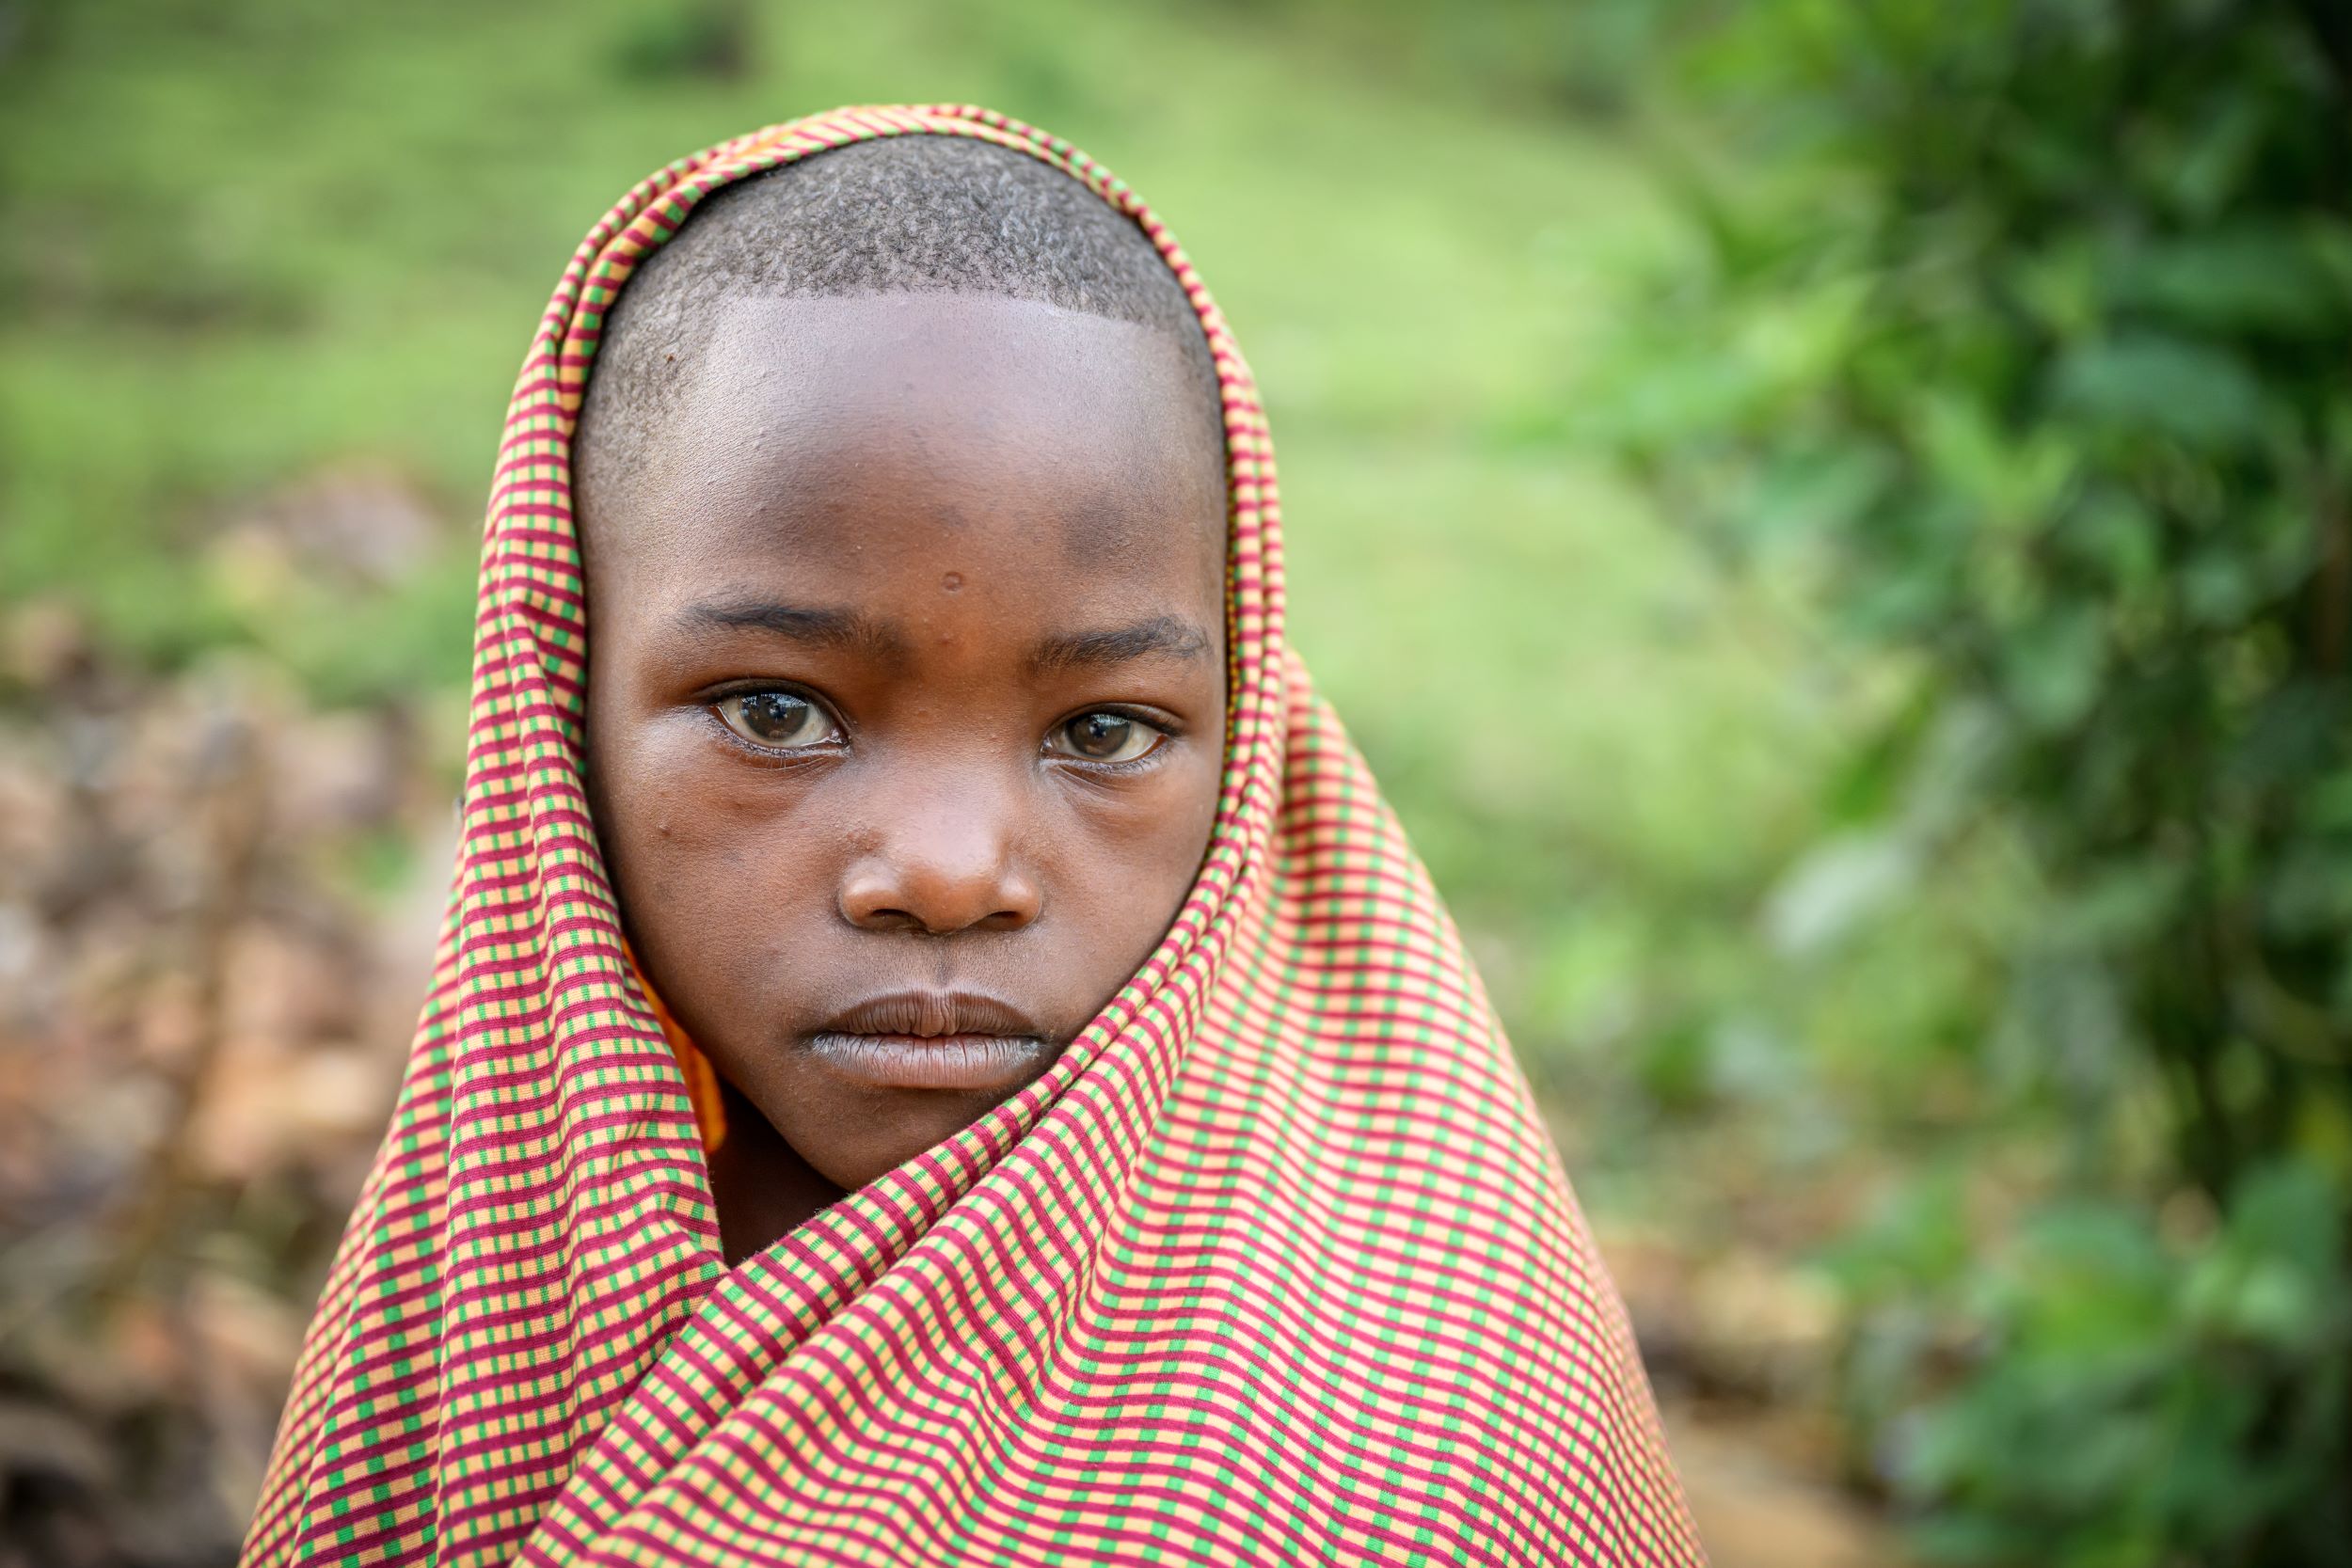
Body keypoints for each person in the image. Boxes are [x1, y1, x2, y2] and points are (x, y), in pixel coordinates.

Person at [244, 105, 1703, 1568]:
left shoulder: (1432, 1439)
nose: (947, 870)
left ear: (1244, 737)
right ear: (557, 714)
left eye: (1106, 732)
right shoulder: (463, 1317)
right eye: (773, 710)